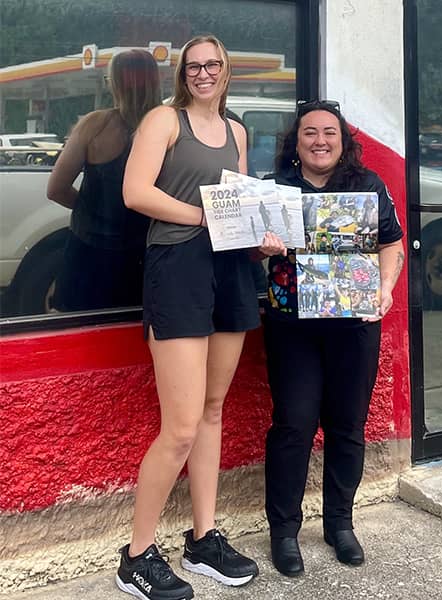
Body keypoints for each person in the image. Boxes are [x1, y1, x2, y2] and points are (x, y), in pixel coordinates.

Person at [116, 35, 286, 600]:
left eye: (213, 65)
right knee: (181, 426)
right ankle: (135, 558)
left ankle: (203, 537)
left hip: (231, 270)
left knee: (213, 409)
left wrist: (258, 238)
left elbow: (237, 203)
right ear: (182, 74)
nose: (204, 73)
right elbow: (135, 193)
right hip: (178, 268)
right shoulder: (163, 122)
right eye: (194, 67)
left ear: (226, 70)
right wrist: (207, 218)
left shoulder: (237, 130)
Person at [263, 100, 405, 576]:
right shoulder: (275, 190)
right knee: (293, 427)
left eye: (329, 133)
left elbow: (392, 244)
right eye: (309, 133)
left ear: (343, 142)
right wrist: (258, 248)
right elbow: (240, 255)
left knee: (347, 427)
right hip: (292, 328)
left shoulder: (367, 186)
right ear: (295, 142)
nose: (320, 141)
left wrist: (384, 290)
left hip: (355, 325)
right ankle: (283, 532)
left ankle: (339, 524)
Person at [47, 49, 160, 312]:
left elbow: (56, 189)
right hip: (145, 256)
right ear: (155, 82)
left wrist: (91, 209)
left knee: (77, 335)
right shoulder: (169, 127)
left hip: (87, 254)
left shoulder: (94, 125)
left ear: (116, 83)